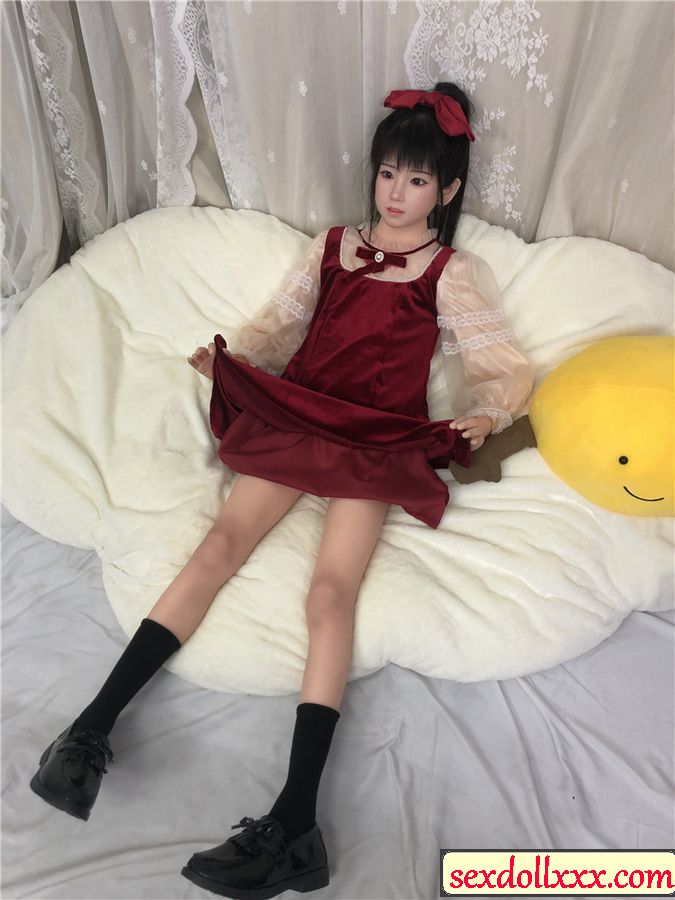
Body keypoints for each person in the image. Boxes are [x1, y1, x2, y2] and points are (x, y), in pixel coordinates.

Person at [29, 83, 534, 899]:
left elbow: (498, 362)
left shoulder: (449, 271)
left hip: (374, 438)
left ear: (445, 191)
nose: (395, 193)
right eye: (387, 174)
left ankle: (296, 820)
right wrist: (234, 361)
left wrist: (487, 413)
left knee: (329, 595)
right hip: (299, 415)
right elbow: (280, 322)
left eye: (415, 180)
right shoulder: (332, 246)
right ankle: (87, 734)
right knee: (218, 547)